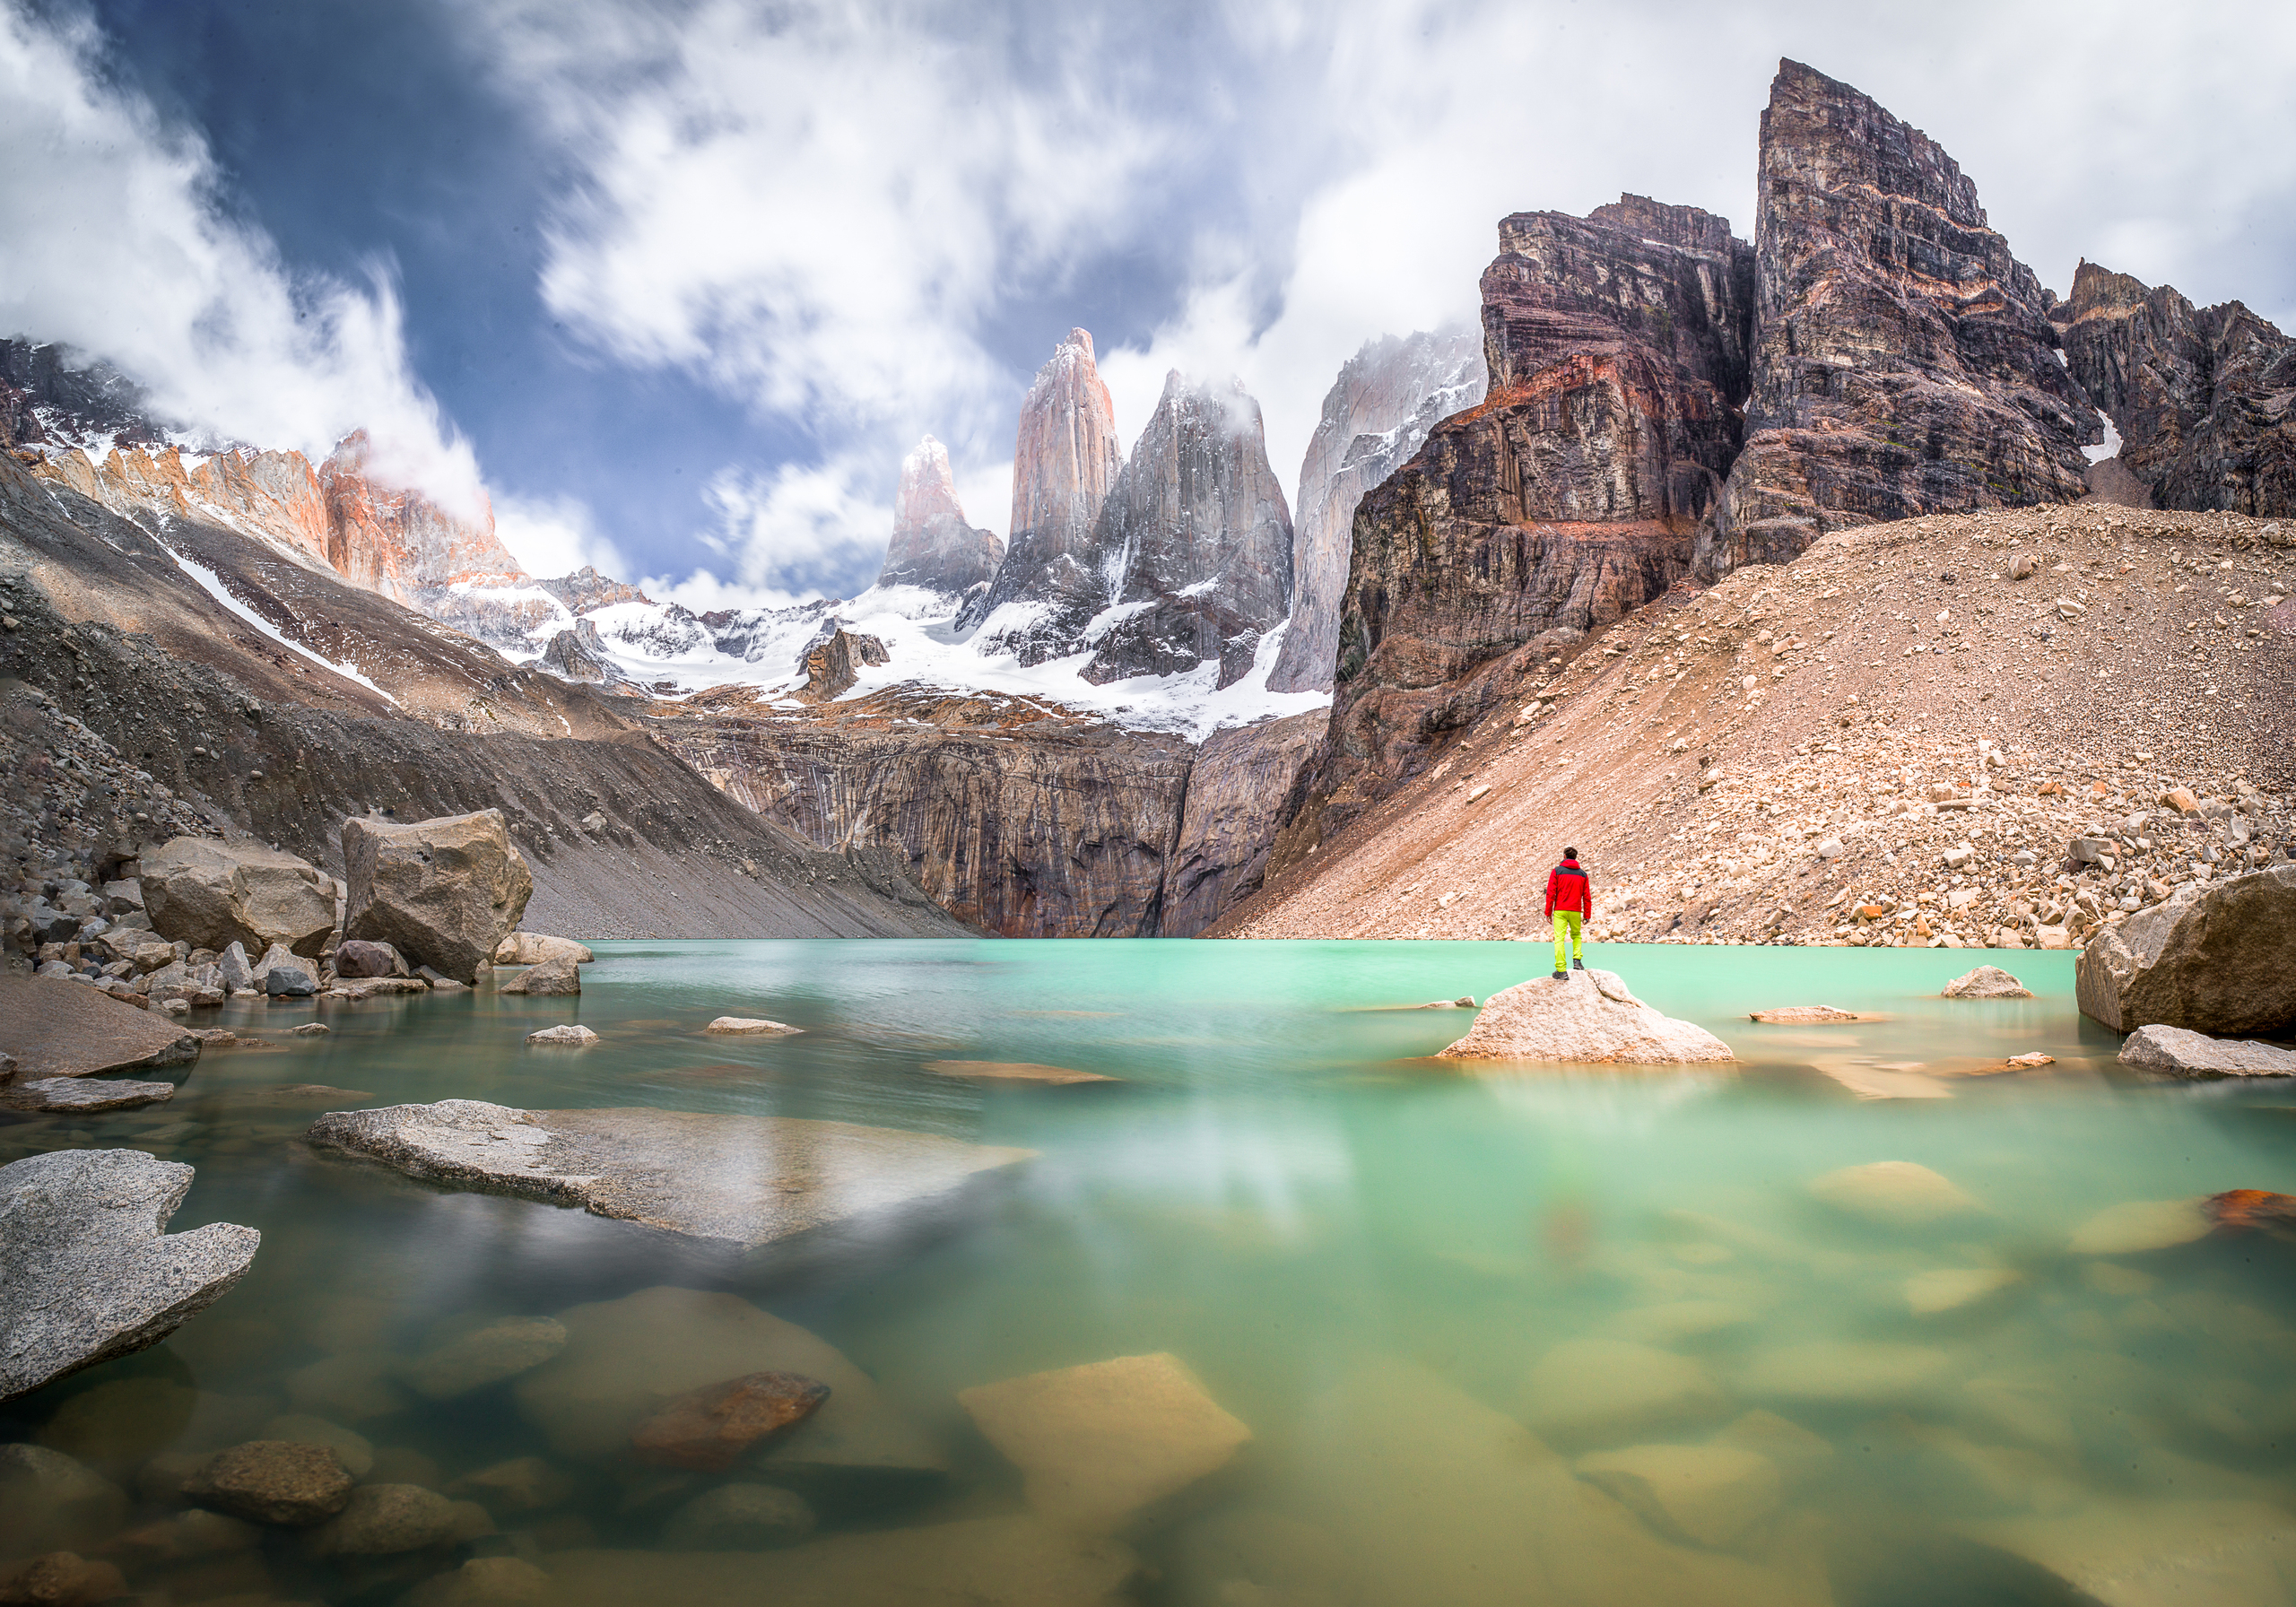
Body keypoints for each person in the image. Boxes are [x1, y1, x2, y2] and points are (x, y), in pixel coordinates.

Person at [1544, 848, 1592, 980]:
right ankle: (1577, 962)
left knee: (1559, 939)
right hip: (1576, 911)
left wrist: (1548, 912)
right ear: (1575, 858)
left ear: (1564, 856)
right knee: (1576, 935)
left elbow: (1551, 893)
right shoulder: (1583, 874)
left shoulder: (1557, 871)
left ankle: (1561, 971)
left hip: (1560, 910)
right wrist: (1587, 914)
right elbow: (1587, 896)